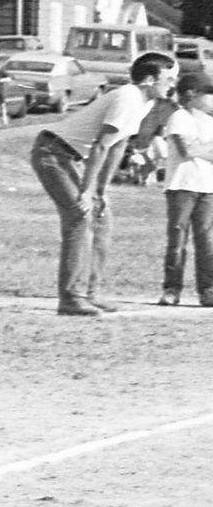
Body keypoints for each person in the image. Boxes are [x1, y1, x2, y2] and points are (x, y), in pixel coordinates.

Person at [30, 49, 178, 318]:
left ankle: (90, 293)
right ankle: (71, 298)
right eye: (168, 79)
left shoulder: (145, 102)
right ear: (149, 80)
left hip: (73, 158)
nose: (172, 84)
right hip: (52, 153)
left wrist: (100, 190)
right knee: (79, 216)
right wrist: (86, 191)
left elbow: (118, 145)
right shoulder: (128, 97)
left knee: (101, 217)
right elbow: (101, 146)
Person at [157, 69, 213, 306]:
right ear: (192, 94)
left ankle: (207, 289)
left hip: (207, 187)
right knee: (177, 238)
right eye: (207, 94)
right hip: (181, 186)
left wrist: (199, 148)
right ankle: (172, 288)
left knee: (206, 240)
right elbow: (185, 151)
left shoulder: (209, 122)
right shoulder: (179, 117)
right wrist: (205, 149)